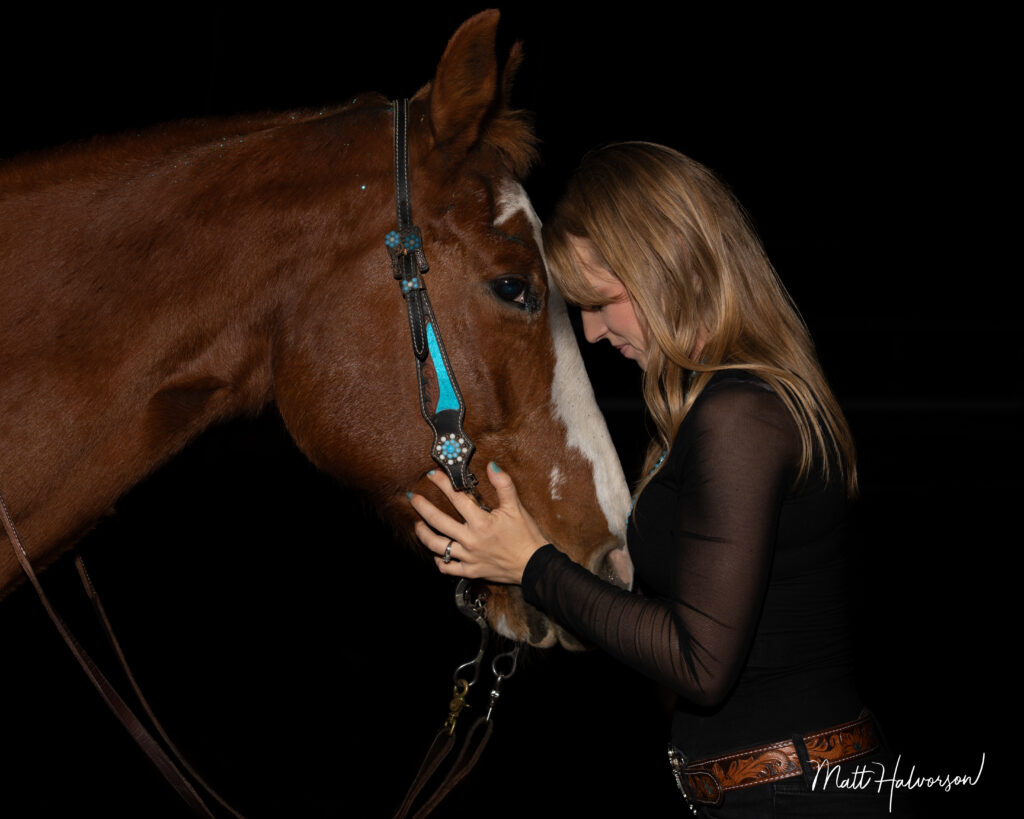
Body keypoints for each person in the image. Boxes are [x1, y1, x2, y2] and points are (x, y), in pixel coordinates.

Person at [409, 142, 908, 817]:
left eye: (599, 301)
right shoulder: (716, 405)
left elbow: (699, 665)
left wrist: (533, 564)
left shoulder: (738, 413)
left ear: (667, 265)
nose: (590, 331)